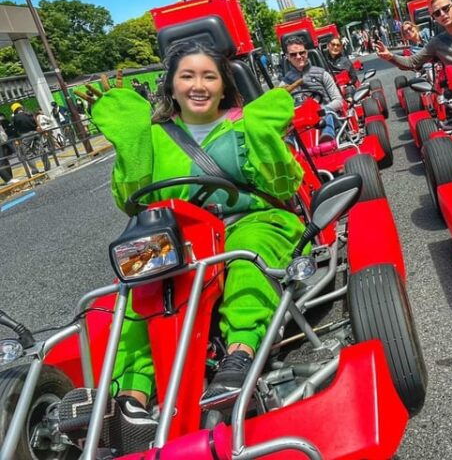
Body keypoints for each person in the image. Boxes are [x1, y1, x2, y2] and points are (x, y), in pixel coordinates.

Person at [59, 42, 305, 454]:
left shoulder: (245, 123)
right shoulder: (155, 136)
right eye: (187, 76)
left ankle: (239, 356)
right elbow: (130, 202)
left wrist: (264, 136)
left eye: (209, 76)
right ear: (171, 87)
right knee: (140, 288)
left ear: (223, 85)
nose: (198, 85)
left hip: (250, 220)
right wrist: (133, 142)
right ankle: (130, 402)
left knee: (245, 256)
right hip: (179, 237)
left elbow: (286, 185)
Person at [377, 0, 452, 112]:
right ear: (435, 18)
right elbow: (412, 62)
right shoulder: (436, 43)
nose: (442, 14)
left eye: (445, 8)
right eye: (437, 13)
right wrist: (390, 56)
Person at [279, 36, 344, 143]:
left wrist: (322, 110)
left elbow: (338, 101)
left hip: (323, 117)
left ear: (306, 53)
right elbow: (282, 111)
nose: (298, 57)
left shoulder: (322, 74)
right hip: (300, 124)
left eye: (301, 53)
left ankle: (327, 137)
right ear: (288, 57)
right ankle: (291, 146)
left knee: (328, 114)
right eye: (293, 54)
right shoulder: (284, 84)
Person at [11, 102, 50, 175]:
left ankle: (34, 170)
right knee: (41, 149)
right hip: (35, 133)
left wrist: (17, 138)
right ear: (21, 108)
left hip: (25, 136)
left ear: (15, 110)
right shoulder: (29, 113)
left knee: (27, 153)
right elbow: (36, 123)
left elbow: (15, 129)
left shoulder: (15, 117)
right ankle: (47, 167)